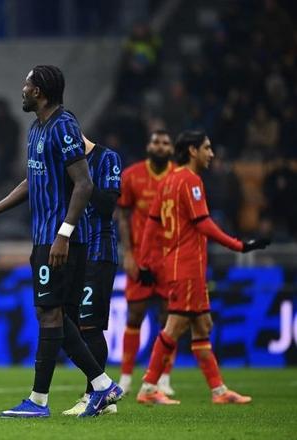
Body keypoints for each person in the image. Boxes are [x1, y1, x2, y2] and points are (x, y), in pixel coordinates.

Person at [0, 65, 122, 418]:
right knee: (54, 315)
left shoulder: (64, 125)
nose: (22, 89)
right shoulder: (37, 128)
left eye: (27, 84)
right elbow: (32, 181)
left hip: (59, 238)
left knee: (50, 313)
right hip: (45, 237)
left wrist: (63, 234)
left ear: (39, 91)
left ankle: (61, 396)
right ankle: (91, 388)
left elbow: (84, 183)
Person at [135, 130, 269, 405]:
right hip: (187, 266)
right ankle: (148, 387)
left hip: (178, 264)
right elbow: (203, 223)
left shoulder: (168, 181)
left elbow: (151, 223)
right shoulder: (191, 181)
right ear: (193, 151)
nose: (211, 154)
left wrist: (144, 260)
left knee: (203, 325)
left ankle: (219, 391)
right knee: (175, 326)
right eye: (207, 148)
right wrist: (239, 245)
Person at [62, 135, 122, 416]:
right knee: (69, 322)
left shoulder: (107, 158)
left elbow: (108, 206)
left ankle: (94, 396)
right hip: (75, 250)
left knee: (89, 327)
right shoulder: (66, 162)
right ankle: (100, 392)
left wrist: (82, 182)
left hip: (98, 251)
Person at [116, 130, 176, 395]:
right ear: (148, 146)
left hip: (170, 256)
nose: (160, 146)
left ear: (171, 149)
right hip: (140, 255)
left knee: (169, 318)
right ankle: (126, 378)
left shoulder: (180, 177)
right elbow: (123, 215)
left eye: (165, 143)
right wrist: (128, 254)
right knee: (135, 315)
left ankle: (163, 378)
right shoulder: (131, 175)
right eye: (156, 142)